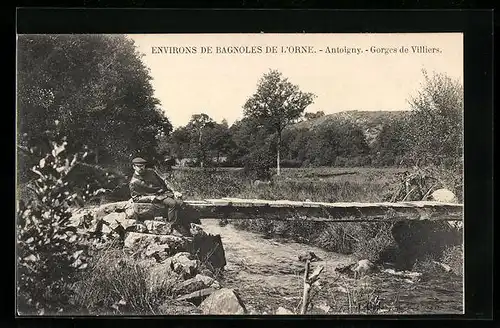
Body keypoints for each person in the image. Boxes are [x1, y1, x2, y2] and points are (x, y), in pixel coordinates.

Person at [129, 157, 191, 236]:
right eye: (138, 166)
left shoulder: (151, 172)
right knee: (172, 204)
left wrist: (174, 191)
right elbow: (136, 198)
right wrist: (150, 198)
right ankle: (174, 227)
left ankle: (185, 226)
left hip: (165, 193)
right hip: (156, 197)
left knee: (181, 203)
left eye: (143, 166)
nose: (141, 168)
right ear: (134, 167)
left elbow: (165, 181)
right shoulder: (134, 182)